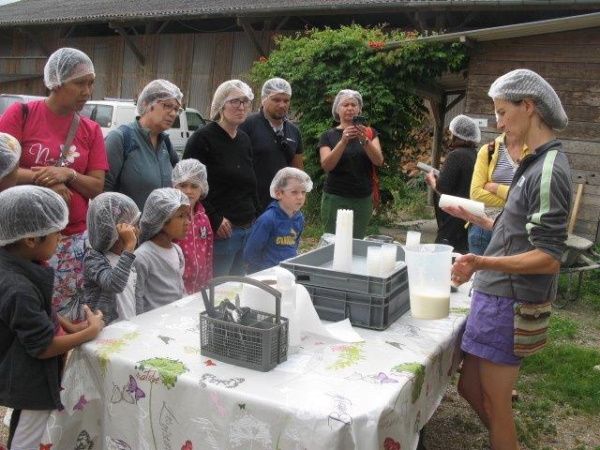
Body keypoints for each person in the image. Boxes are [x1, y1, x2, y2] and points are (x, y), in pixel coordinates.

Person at [446, 69, 572, 450]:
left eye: (502, 113)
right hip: (494, 294)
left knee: (496, 403)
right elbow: (521, 228)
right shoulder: (532, 162)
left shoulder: (550, 169)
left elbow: (549, 257)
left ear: (528, 107)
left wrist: (481, 263)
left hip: (510, 301)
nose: (498, 124)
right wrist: (484, 220)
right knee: (469, 387)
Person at [0, 47, 108, 321]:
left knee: (64, 314)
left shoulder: (90, 130)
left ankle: (58, 360)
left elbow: (96, 186)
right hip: (22, 240)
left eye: (91, 83)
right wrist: (46, 182)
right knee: (22, 310)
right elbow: (3, 167)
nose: (87, 91)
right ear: (57, 82)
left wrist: (68, 176)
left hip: (70, 239)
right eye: (80, 83)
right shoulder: (22, 114)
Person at [0, 185, 104, 449]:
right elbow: (43, 347)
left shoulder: (18, 263)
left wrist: (69, 326)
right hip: (30, 378)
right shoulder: (18, 288)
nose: (60, 240)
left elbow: (41, 311)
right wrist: (89, 332)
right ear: (31, 239)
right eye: (56, 234)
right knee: (29, 434)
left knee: (23, 422)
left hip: (21, 370)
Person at [183, 79, 259, 276]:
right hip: (221, 231)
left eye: (245, 101)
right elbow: (187, 185)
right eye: (235, 101)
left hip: (246, 228)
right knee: (218, 291)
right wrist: (214, 217)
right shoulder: (203, 138)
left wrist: (256, 214)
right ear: (221, 105)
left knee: (238, 288)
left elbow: (250, 181)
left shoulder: (244, 139)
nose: (241, 107)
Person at [104, 79, 182, 211]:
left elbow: (179, 181)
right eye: (167, 106)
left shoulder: (166, 144)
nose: (173, 113)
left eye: (176, 109)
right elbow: (103, 192)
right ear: (147, 104)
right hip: (128, 228)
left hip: (160, 229)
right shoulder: (121, 139)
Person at [319, 89, 384, 239]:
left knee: (357, 241)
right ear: (337, 110)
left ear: (359, 109)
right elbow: (327, 165)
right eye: (345, 105)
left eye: (353, 105)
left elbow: (378, 161)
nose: (349, 108)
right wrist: (343, 141)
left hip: (362, 197)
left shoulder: (370, 133)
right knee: (333, 240)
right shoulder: (328, 136)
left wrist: (365, 141)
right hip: (335, 196)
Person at [239, 77, 304, 212]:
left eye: (286, 101)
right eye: (276, 100)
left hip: (282, 207)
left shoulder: (293, 131)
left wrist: (298, 197)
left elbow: (298, 171)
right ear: (264, 99)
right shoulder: (248, 125)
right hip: (251, 206)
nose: (282, 105)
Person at [425, 114, 480, 254]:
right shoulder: (476, 155)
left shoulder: (456, 155)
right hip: (469, 217)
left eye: (451, 133)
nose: (449, 137)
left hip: (452, 219)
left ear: (457, 135)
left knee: (442, 256)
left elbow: (442, 188)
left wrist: (432, 181)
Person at [83, 192, 140, 324]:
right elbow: (114, 284)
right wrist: (129, 246)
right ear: (112, 229)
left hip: (129, 328)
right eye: (133, 225)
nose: (137, 230)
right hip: (106, 332)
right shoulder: (94, 259)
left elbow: (135, 296)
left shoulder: (127, 257)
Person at [469, 132, 529, 255]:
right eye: (500, 114)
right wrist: (517, 200)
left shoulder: (533, 152)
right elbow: (476, 194)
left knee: (508, 273)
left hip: (517, 226)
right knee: (480, 273)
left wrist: (496, 188)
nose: (501, 123)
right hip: (483, 228)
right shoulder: (488, 150)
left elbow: (529, 196)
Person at [244, 167, 313, 272]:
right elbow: (250, 253)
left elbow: (294, 244)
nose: (300, 197)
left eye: (303, 192)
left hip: (288, 271)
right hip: (268, 274)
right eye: (294, 192)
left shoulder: (299, 218)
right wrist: (263, 272)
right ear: (279, 193)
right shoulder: (267, 220)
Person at [134, 188, 189, 314]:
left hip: (176, 320)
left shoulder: (177, 250)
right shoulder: (143, 256)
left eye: (187, 216)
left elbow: (179, 288)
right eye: (181, 216)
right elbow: (137, 297)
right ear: (162, 219)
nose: (188, 222)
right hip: (154, 325)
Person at [172, 159, 213, 294]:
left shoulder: (203, 218)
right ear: (174, 186)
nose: (188, 191)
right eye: (183, 185)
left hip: (201, 289)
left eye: (194, 186)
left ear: (202, 188)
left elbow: (208, 253)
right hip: (177, 289)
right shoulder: (171, 218)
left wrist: (208, 283)